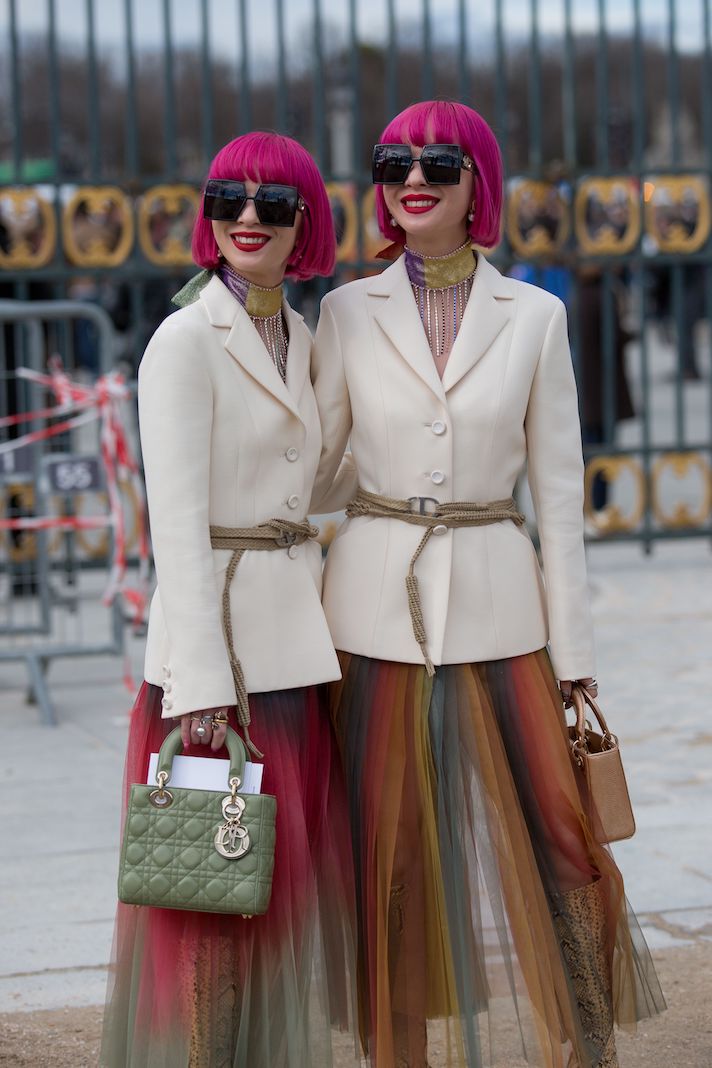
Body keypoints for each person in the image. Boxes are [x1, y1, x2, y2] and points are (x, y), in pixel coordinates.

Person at [310, 101, 664, 1068]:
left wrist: (577, 661)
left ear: (479, 187)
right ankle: (398, 1054)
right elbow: (323, 470)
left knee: (562, 838)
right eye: (394, 161)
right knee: (388, 856)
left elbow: (558, 498)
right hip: (376, 611)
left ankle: (584, 1042)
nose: (411, 176)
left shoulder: (537, 315)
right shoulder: (344, 311)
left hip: (507, 612)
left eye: (437, 161)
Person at [101, 131, 356, 1068]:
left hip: (296, 647)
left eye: (274, 203)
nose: (248, 217)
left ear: (305, 226)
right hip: (217, 673)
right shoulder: (182, 338)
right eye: (228, 198)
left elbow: (316, 478)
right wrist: (200, 686)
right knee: (211, 902)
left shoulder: (300, 331)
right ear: (208, 218)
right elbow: (175, 525)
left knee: (278, 896)